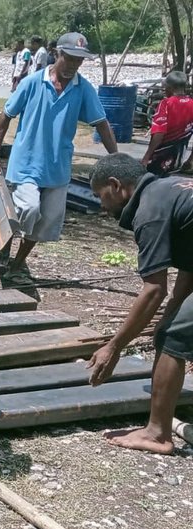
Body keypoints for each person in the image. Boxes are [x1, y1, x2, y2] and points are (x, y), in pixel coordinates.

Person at [0, 32, 118, 286]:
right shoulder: (33, 82)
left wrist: (116, 159)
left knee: (46, 220)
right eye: (69, 58)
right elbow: (6, 115)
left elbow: (102, 124)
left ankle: (17, 265)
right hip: (26, 162)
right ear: (57, 54)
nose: (73, 65)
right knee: (28, 209)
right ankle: (2, 248)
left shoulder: (83, 89)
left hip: (57, 167)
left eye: (79, 61)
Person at [87, 153, 193, 455]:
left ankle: (158, 434)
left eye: (100, 196)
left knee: (172, 336)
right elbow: (189, 268)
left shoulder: (149, 211)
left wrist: (114, 345)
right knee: (173, 326)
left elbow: (153, 290)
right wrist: (172, 311)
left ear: (116, 185)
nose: (101, 205)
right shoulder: (171, 188)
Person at [142, 70, 193, 175]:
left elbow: (159, 134)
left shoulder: (166, 104)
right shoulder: (191, 104)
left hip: (159, 159)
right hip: (177, 160)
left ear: (169, 88)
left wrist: (146, 157)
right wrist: (190, 160)